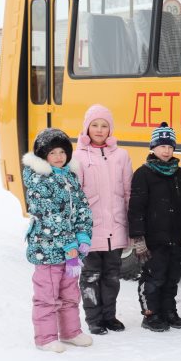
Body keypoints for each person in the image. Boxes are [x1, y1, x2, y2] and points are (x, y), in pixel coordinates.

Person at [23, 128, 93, 353]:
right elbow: (49, 214)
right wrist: (68, 242)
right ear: (44, 155)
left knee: (70, 292)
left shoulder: (69, 176)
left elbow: (82, 206)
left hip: (70, 250)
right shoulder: (38, 179)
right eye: (52, 153)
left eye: (62, 152)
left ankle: (71, 331)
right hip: (48, 248)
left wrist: (83, 234)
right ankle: (45, 337)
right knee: (47, 294)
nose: (59, 157)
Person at [128, 122, 181, 332]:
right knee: (154, 277)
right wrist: (138, 238)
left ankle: (169, 311)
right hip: (153, 240)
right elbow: (136, 209)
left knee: (171, 277)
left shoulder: (180, 175)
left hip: (175, 238)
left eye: (170, 146)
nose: (166, 151)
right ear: (153, 148)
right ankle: (151, 314)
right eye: (162, 146)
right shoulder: (143, 174)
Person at [73, 104, 132, 335]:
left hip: (115, 228)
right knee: (90, 276)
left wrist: (130, 226)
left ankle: (110, 316)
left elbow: (128, 192)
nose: (99, 130)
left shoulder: (122, 156)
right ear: (87, 128)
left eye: (104, 125)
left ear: (110, 129)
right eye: (94, 125)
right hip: (90, 231)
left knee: (112, 277)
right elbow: (75, 198)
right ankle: (94, 318)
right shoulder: (77, 156)